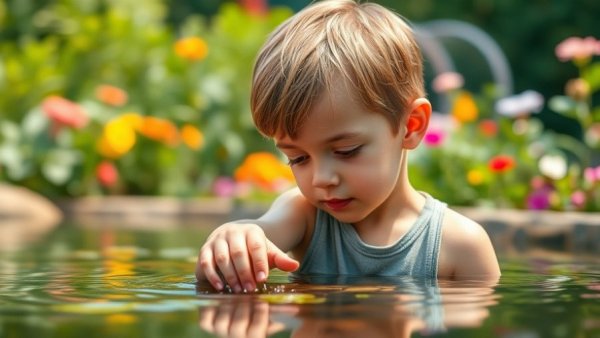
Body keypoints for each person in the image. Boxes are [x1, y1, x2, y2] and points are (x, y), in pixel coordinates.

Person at [195, 0, 501, 294]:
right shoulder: (304, 215)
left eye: (346, 151)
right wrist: (234, 238)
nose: (321, 179)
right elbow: (262, 231)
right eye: (298, 158)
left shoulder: (460, 245)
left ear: (412, 125)